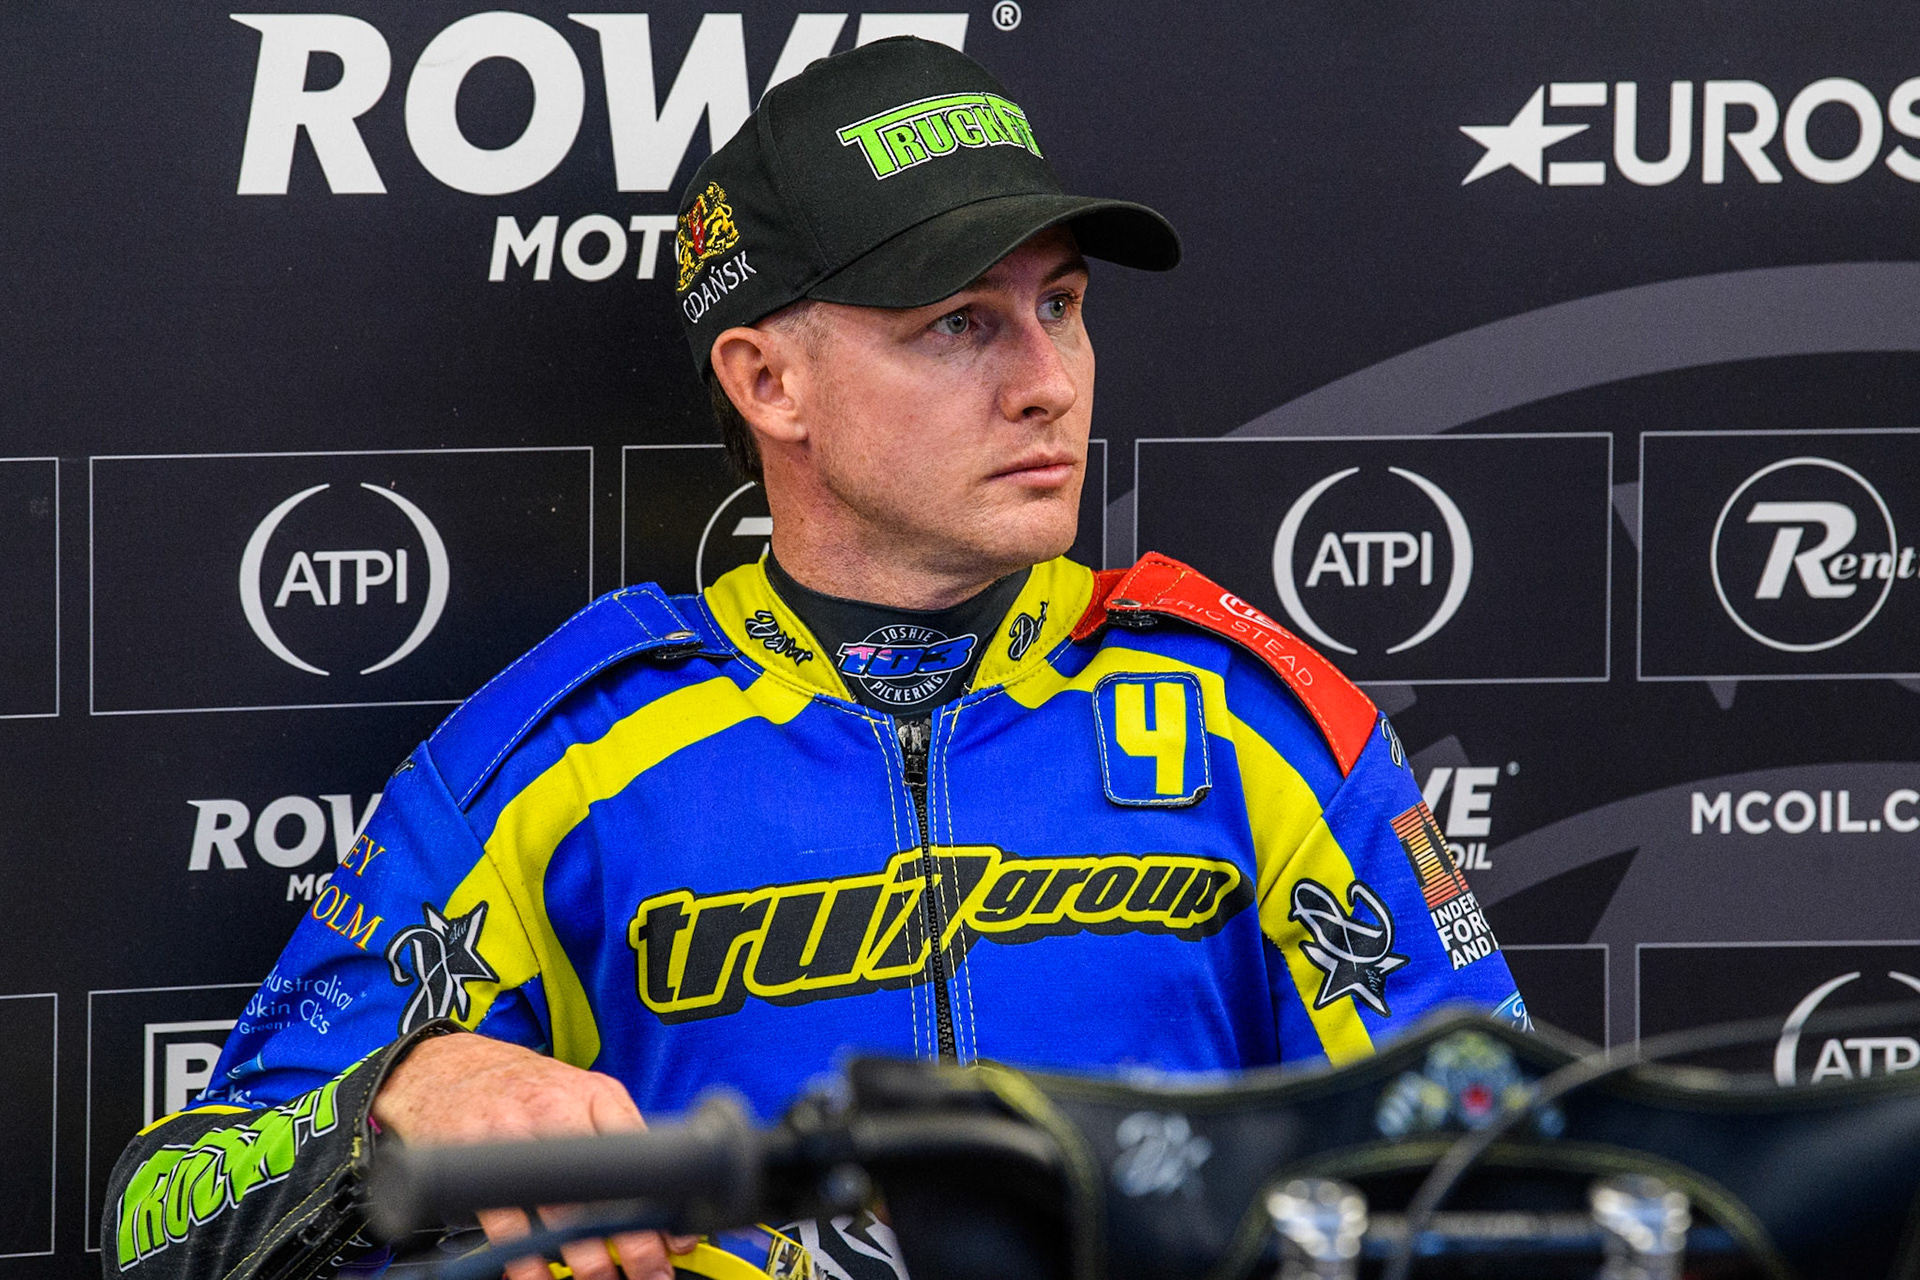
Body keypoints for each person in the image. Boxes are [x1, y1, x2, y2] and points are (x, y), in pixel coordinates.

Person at [104, 36, 1526, 1280]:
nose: (1047, 378)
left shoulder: (1249, 716)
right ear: (766, 380)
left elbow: (1512, 1160)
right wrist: (403, 1098)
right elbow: (161, 1214)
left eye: (1062, 305)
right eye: (958, 322)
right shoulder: (567, 749)